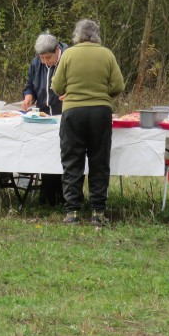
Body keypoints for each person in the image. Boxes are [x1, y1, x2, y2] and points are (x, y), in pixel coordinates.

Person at [51, 19, 124, 226]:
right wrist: (102, 94)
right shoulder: (107, 54)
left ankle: (72, 212)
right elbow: (118, 85)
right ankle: (98, 213)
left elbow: (57, 86)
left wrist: (71, 92)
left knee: (72, 161)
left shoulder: (69, 54)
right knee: (99, 161)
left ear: (77, 35)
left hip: (73, 112)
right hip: (100, 112)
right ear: (97, 35)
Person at [22, 33, 68, 206]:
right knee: (47, 154)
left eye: (47, 57)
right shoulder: (36, 64)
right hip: (43, 117)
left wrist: (71, 93)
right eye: (41, 57)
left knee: (64, 156)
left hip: (64, 115)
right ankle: (48, 196)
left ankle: (65, 195)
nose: (44, 61)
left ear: (57, 50)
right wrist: (28, 96)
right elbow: (30, 86)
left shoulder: (69, 58)